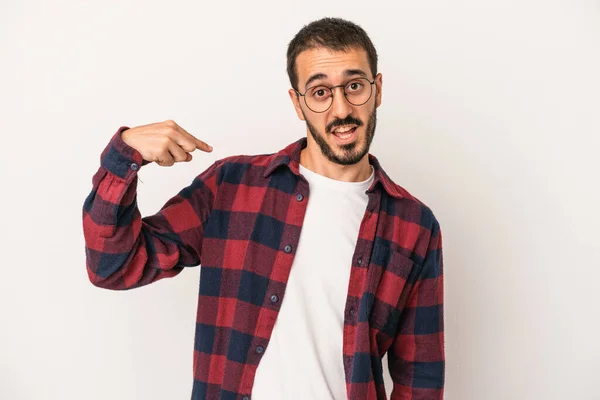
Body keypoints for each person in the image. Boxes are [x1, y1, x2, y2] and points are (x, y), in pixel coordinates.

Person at [82, 17, 444, 400]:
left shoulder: (415, 226)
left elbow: (420, 378)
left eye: (354, 86)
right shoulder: (231, 186)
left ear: (378, 89)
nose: (341, 110)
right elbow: (112, 266)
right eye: (320, 92)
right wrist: (125, 156)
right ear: (298, 103)